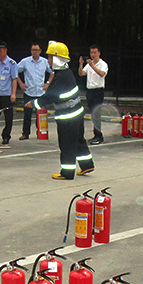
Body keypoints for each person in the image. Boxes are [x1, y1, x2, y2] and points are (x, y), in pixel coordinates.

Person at [26, 41, 94, 180]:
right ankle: (87, 165)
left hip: (67, 117)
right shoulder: (66, 73)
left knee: (67, 143)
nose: (48, 60)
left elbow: (50, 96)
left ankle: (67, 172)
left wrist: (33, 103)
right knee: (78, 140)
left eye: (50, 57)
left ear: (57, 58)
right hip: (76, 113)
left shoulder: (60, 77)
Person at [17, 43, 54, 140]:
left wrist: (48, 83)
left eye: (36, 50)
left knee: (41, 114)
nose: (35, 52)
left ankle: (41, 132)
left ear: (40, 51)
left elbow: (52, 72)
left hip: (40, 92)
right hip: (29, 91)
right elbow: (15, 71)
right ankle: (25, 133)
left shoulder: (44, 62)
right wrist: (20, 83)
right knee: (27, 114)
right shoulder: (25, 62)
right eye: (33, 50)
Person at [78, 45, 108, 144]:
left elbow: (102, 74)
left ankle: (99, 136)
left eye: (95, 52)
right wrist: (81, 64)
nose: (93, 54)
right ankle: (95, 135)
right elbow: (81, 73)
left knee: (96, 114)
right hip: (90, 91)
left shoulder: (102, 64)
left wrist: (92, 66)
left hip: (98, 91)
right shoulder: (89, 65)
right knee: (92, 114)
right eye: (91, 52)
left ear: (99, 53)